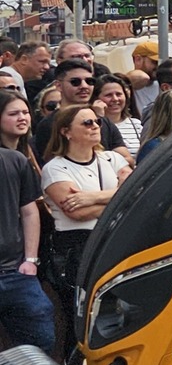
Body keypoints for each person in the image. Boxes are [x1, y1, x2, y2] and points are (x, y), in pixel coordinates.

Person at [40, 103, 130, 318]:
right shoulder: (55, 168)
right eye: (87, 122)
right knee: (82, 314)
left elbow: (133, 191)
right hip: (76, 246)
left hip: (113, 241)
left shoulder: (112, 158)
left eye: (97, 121)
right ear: (66, 131)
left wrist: (90, 197)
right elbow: (76, 213)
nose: (95, 126)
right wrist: (116, 200)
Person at [0, 96, 51, 356]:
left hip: (15, 269)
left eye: (25, 111)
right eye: (13, 113)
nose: (22, 117)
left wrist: (30, 259)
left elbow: (30, 211)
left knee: (41, 342)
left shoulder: (17, 159)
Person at [94, 77, 143, 160]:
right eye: (108, 95)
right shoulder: (93, 126)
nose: (115, 99)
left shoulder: (136, 124)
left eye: (118, 94)